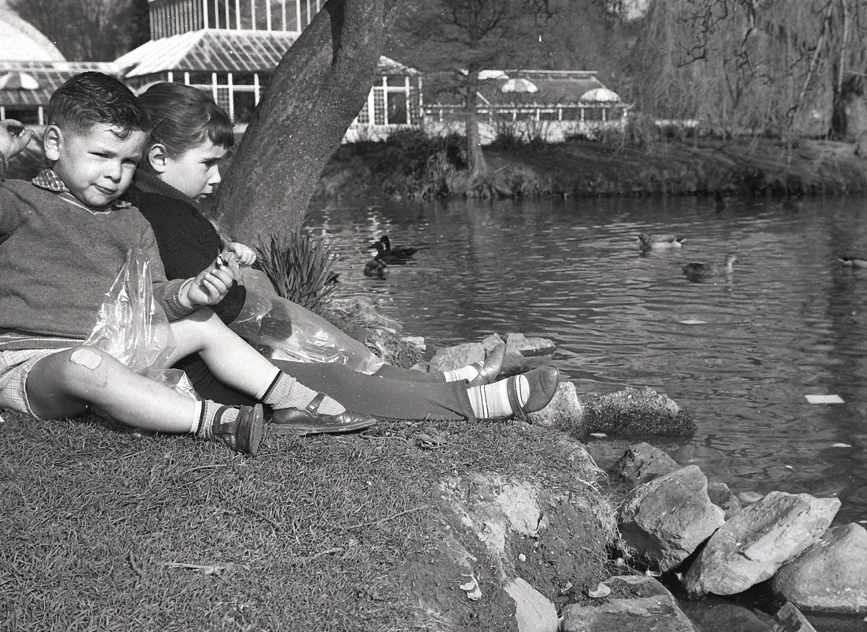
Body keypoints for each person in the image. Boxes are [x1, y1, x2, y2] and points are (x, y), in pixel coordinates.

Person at [0, 72, 373, 456]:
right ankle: (214, 420)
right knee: (86, 366)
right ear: (55, 143)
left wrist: (188, 293)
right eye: (101, 155)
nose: (115, 173)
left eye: (128, 161)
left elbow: (151, 297)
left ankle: (297, 401)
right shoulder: (20, 201)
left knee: (202, 322)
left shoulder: (132, 220)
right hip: (39, 362)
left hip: (116, 344)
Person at [127, 81, 560, 422]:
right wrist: (248, 288)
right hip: (211, 374)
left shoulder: (168, 207)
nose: (218, 177)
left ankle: (454, 381)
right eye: (207, 164)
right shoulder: (165, 215)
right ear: (161, 158)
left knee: (342, 359)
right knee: (333, 376)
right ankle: (476, 403)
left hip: (225, 354)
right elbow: (216, 304)